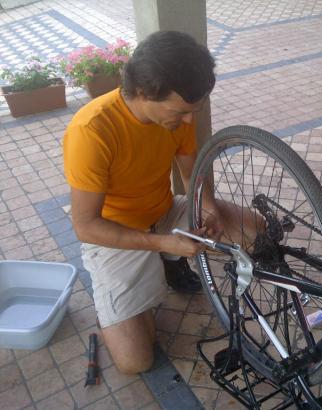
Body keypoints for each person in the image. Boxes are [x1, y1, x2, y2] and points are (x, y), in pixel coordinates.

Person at [63, 31, 258, 374]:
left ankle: (167, 260)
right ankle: (151, 268)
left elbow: (191, 172)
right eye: (180, 112)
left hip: (164, 211)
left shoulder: (177, 115)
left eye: (193, 111)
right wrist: (161, 243)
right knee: (135, 361)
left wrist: (207, 205)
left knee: (256, 232)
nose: (188, 121)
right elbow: (86, 226)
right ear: (143, 92)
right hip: (115, 232)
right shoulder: (91, 131)